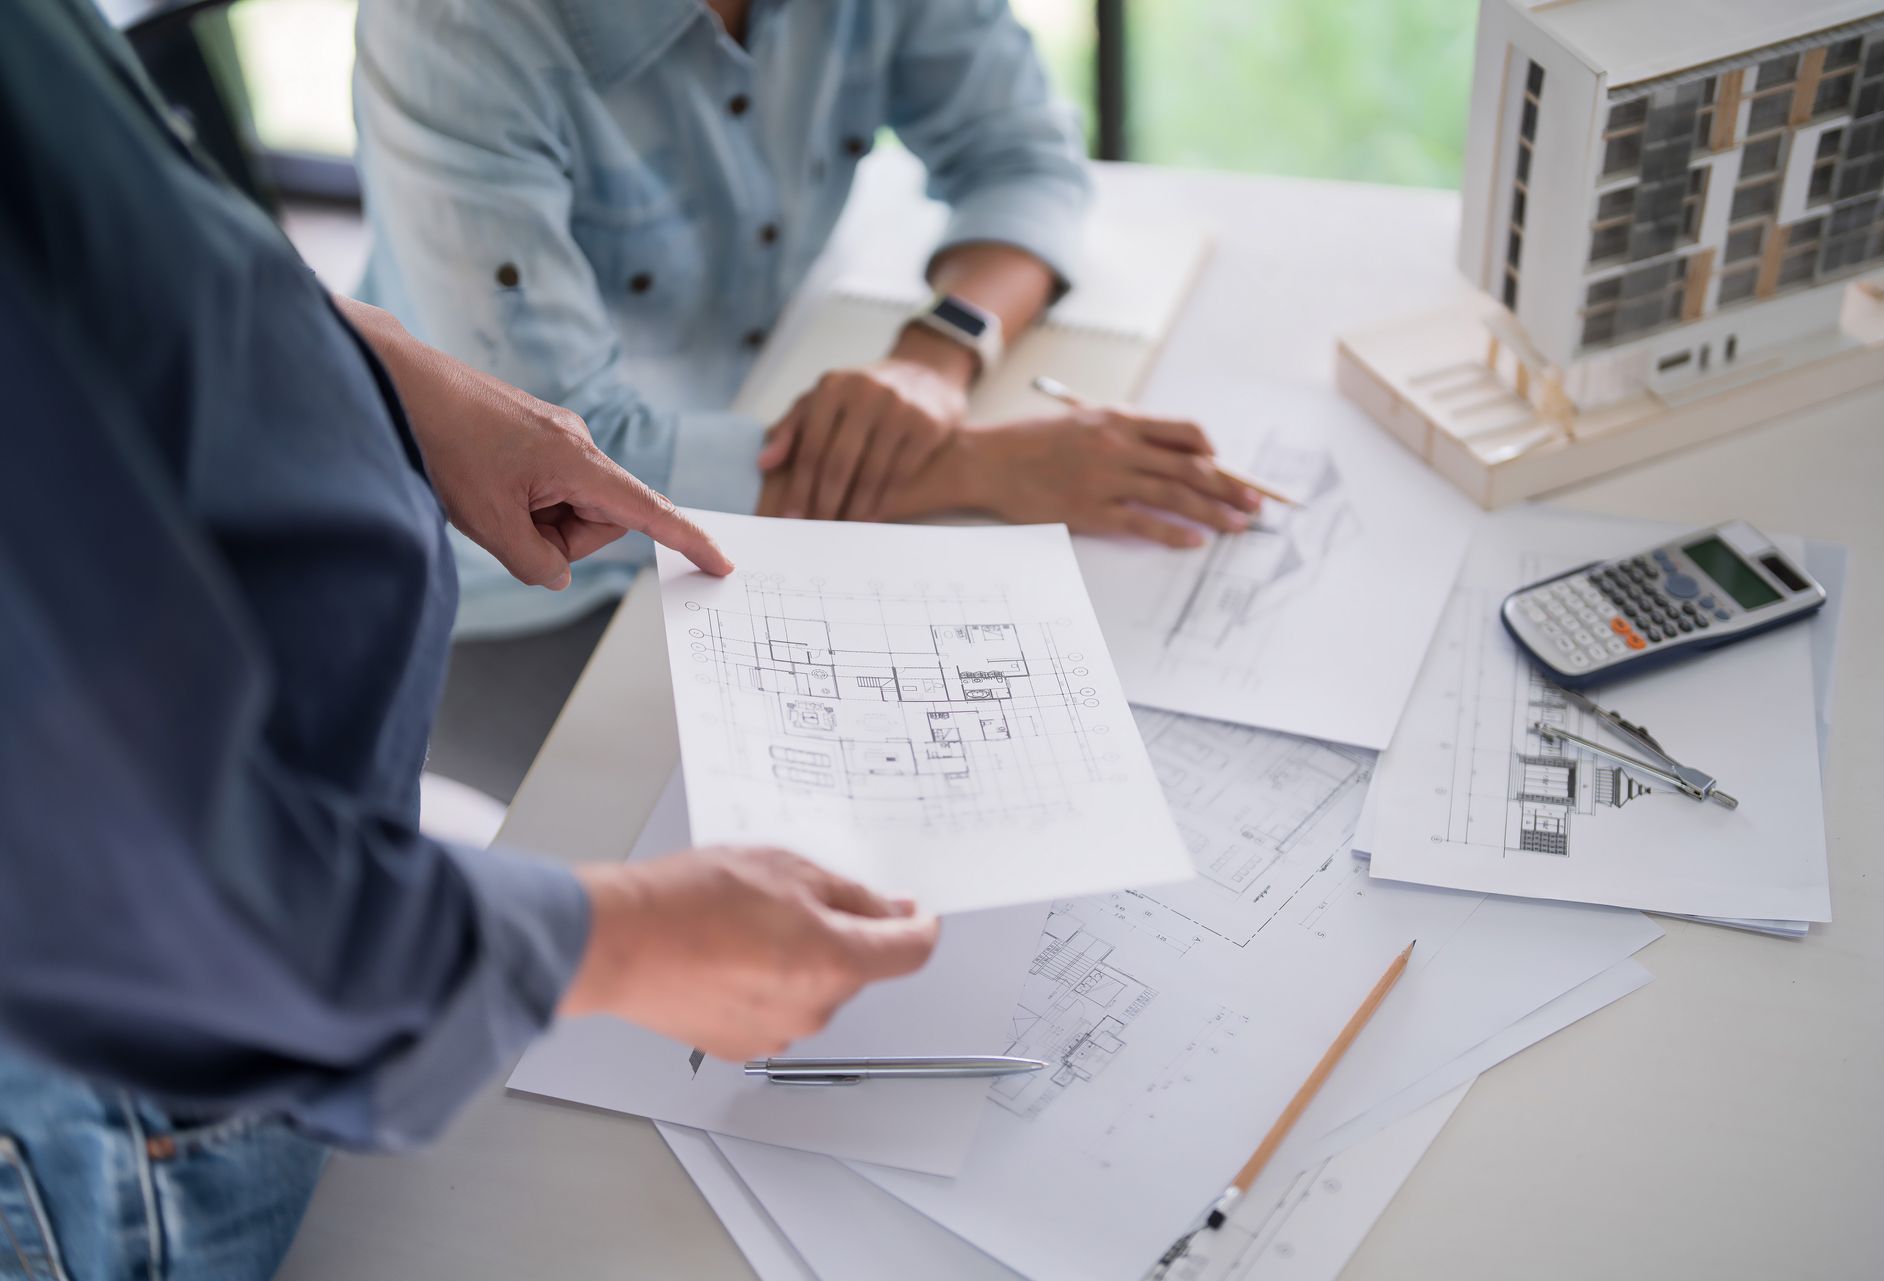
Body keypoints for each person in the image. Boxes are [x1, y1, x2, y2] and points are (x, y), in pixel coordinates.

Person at [0, 2, 937, 1278]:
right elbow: (128, 874)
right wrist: (627, 941)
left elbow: (121, 273)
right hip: (155, 1100)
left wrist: (388, 370)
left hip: (317, 907)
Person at [355, 0, 1261, 637]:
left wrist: (937, 351)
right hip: (505, 590)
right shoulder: (453, 27)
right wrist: (982, 468)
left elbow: (1023, 156)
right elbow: (557, 471)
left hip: (754, 436)